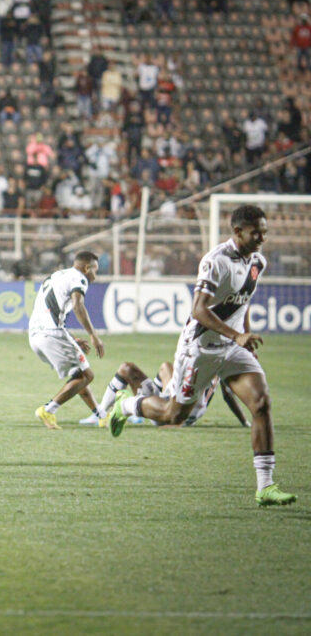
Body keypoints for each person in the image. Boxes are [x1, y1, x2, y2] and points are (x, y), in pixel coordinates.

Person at [107, 205, 296, 507]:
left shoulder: (258, 262)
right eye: (255, 231)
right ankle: (127, 405)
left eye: (265, 231)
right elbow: (198, 310)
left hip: (232, 348)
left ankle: (266, 486)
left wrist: (243, 340)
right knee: (174, 415)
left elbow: (242, 304)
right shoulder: (215, 261)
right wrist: (236, 335)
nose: (262, 237)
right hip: (200, 349)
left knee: (261, 403)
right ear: (238, 232)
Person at [27, 251, 105, 429]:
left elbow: (49, 309)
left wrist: (69, 338)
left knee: (79, 374)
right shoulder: (79, 278)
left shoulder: (56, 275)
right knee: (86, 375)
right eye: (95, 270)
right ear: (86, 268)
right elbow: (78, 305)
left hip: (36, 335)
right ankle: (49, 409)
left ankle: (101, 415)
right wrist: (93, 335)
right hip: (51, 333)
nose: (95, 275)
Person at [86, 359, 250, 428]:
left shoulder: (208, 356)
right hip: (176, 404)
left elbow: (228, 394)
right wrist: (244, 422)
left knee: (163, 368)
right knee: (133, 368)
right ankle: (102, 413)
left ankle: (130, 407)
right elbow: (228, 395)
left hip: (174, 410)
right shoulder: (218, 358)